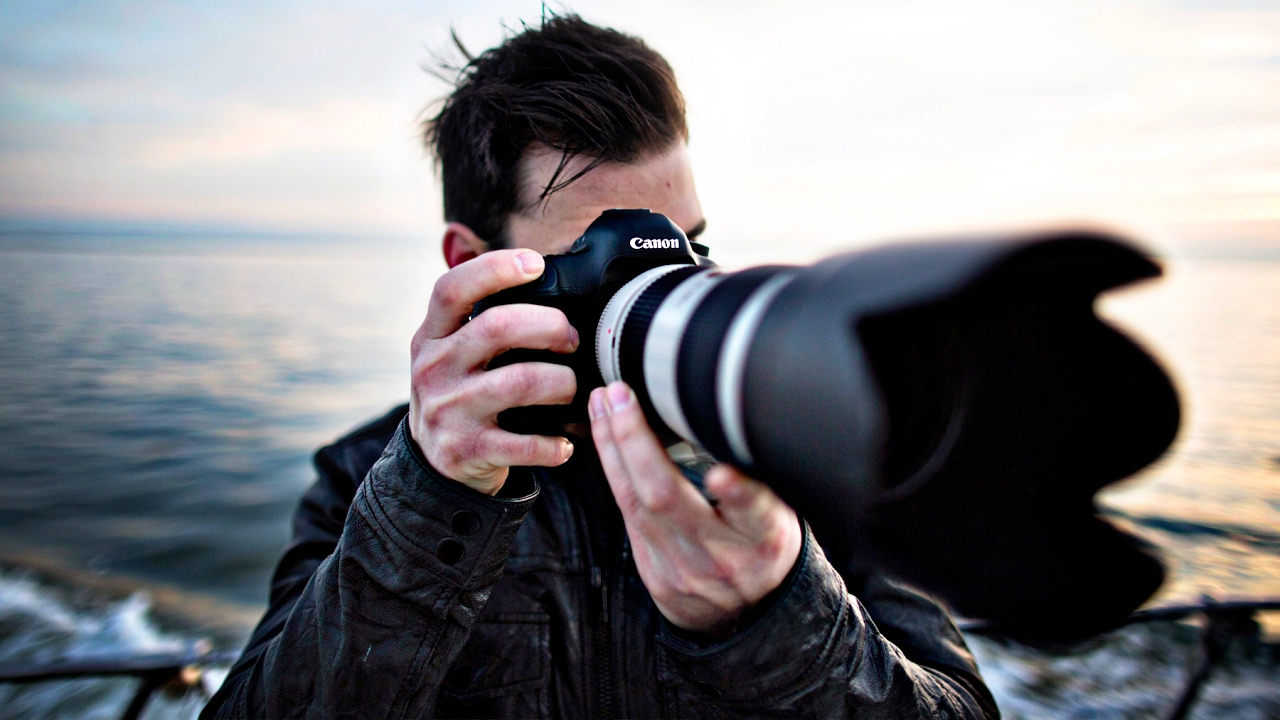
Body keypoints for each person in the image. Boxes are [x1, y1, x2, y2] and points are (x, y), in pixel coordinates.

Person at [203, 15, 998, 719]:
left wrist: (776, 614)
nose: (668, 292)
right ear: (476, 266)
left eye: (686, 250)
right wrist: (432, 498)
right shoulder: (363, 484)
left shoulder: (796, 451)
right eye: (614, 265)